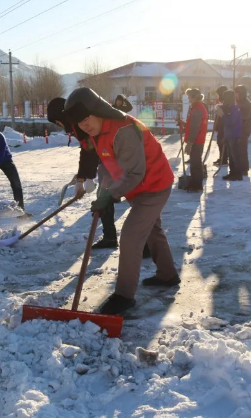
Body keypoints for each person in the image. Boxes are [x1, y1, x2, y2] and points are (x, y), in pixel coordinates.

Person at [64, 87, 177, 315]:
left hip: (154, 185)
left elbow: (134, 173)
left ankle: (124, 296)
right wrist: (104, 191)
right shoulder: (98, 132)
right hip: (139, 186)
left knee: (131, 236)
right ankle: (168, 276)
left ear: (97, 110)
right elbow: (106, 163)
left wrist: (111, 196)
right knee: (152, 230)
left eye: (86, 119)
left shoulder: (122, 129)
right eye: (80, 123)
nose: (84, 126)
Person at [48, 97, 151, 258]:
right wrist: (82, 178)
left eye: (57, 122)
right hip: (109, 162)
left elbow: (90, 151)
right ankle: (111, 236)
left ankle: (147, 243)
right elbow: (87, 149)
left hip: (121, 160)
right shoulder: (77, 125)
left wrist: (88, 178)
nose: (59, 125)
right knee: (104, 198)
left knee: (136, 198)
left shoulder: (82, 123)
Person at [177, 88, 207, 192]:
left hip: (196, 140)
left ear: (194, 97)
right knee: (194, 163)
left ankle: (197, 185)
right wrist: (183, 124)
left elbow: (195, 128)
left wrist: (189, 143)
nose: (188, 99)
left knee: (196, 163)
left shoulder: (197, 109)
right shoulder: (196, 107)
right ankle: (194, 183)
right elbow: (192, 125)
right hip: (197, 139)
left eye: (189, 97)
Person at [221, 90, 243, 181]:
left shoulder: (234, 108)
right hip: (229, 134)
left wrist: (223, 115)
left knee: (235, 156)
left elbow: (231, 122)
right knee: (231, 155)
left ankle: (238, 175)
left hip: (234, 135)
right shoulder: (230, 108)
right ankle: (232, 172)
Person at [235, 85, 251, 176]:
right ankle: (239, 168)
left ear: (241, 94)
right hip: (239, 130)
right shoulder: (239, 103)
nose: (235, 95)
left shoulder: (246, 104)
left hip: (243, 130)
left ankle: (244, 169)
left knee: (242, 150)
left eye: (237, 93)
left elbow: (244, 117)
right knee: (238, 150)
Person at [213, 85, 229, 166]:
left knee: (222, 142)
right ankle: (222, 157)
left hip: (224, 126)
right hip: (221, 126)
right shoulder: (222, 101)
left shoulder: (227, 102)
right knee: (219, 142)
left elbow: (224, 114)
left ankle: (224, 158)